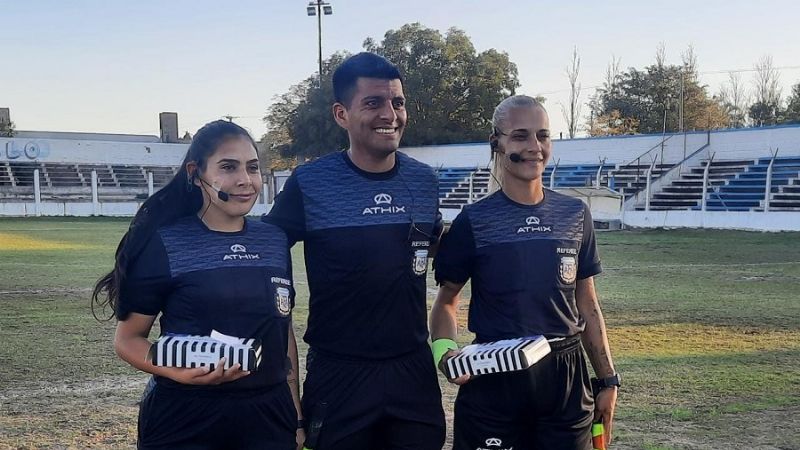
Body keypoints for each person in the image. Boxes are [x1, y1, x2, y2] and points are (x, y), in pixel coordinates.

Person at [264, 52, 445, 450]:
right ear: (341, 114)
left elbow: (433, 246)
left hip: (412, 369)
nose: (390, 114)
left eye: (397, 102)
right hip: (340, 370)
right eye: (373, 103)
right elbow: (264, 248)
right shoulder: (312, 182)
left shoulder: (423, 180)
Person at [92, 120, 304, 450]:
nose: (245, 180)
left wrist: (295, 415)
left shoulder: (274, 241)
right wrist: (174, 371)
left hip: (268, 418)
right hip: (186, 419)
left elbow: (283, 333)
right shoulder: (166, 243)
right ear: (195, 173)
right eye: (228, 167)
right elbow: (127, 339)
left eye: (252, 167)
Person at [430, 95, 619, 450]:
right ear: (497, 143)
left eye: (543, 136)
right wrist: (444, 352)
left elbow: (587, 303)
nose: (535, 147)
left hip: (565, 378)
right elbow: (446, 301)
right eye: (520, 136)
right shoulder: (475, 220)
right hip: (494, 375)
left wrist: (608, 380)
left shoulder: (575, 215)